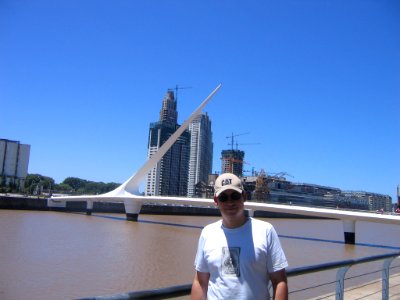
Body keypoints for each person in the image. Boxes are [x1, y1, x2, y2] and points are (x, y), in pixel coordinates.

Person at [191, 173, 288, 300]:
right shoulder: (207, 233)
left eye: (235, 196)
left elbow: (279, 281)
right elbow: (200, 281)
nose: (230, 202)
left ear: (244, 196)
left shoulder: (265, 231)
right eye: (223, 197)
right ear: (216, 201)